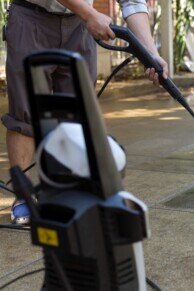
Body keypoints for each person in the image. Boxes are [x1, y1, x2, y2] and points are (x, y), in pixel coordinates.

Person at [2, 0, 168, 224]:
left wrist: (150, 52)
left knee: (77, 113)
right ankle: (23, 198)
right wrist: (89, 13)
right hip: (32, 17)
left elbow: (132, 2)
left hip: (79, 25)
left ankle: (68, 194)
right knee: (25, 112)